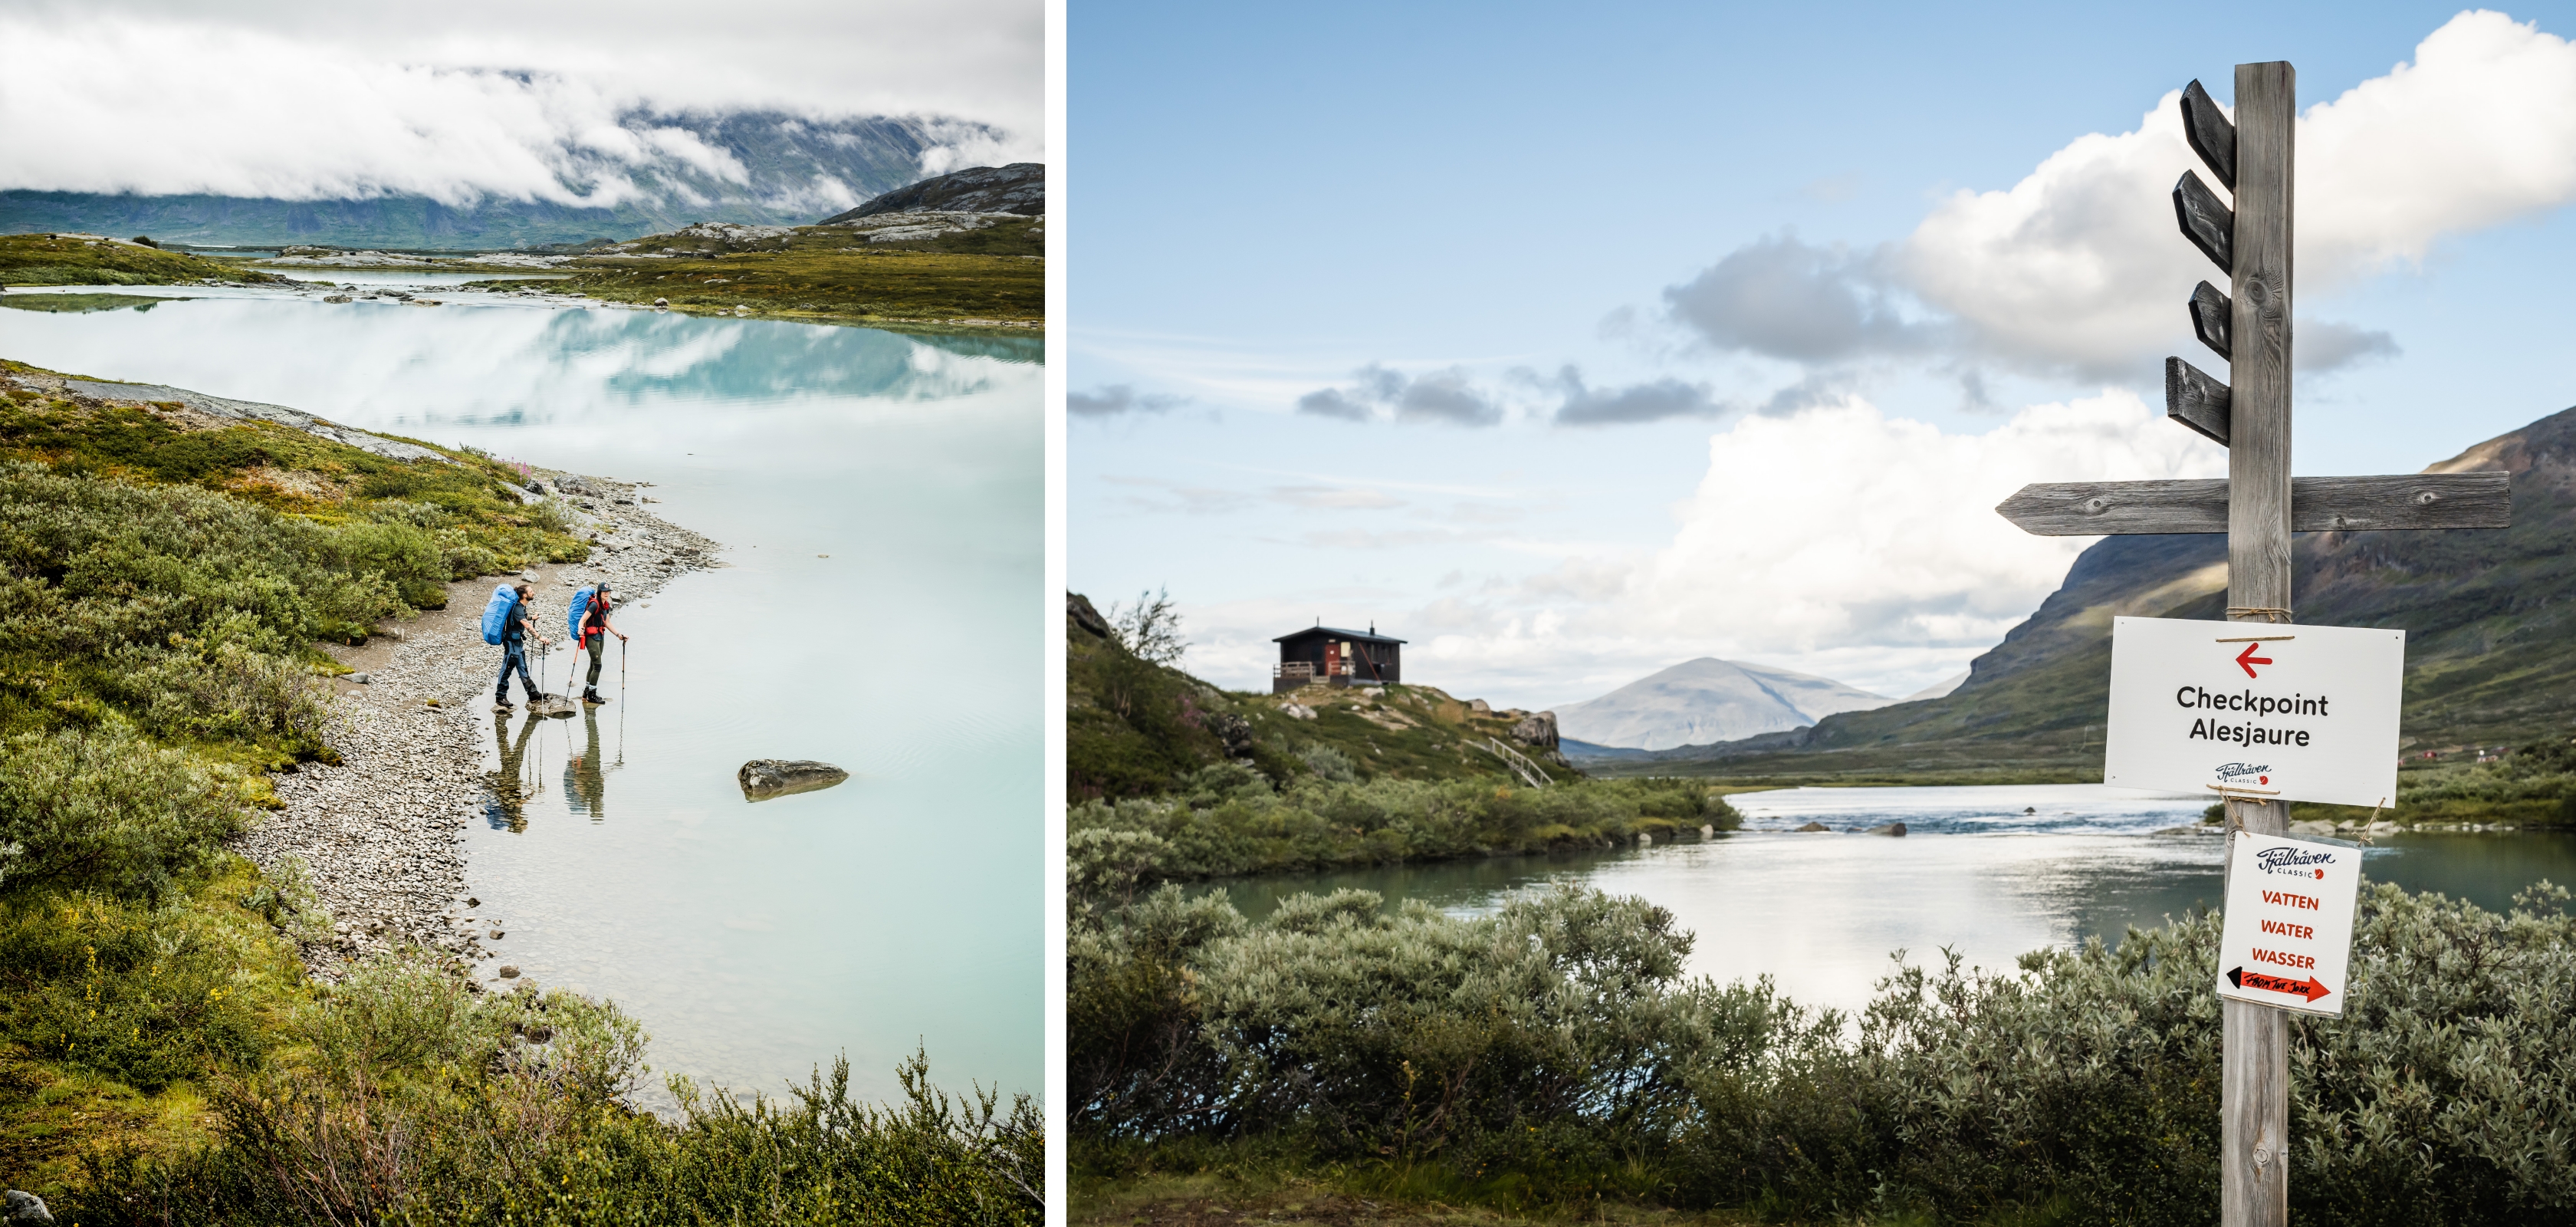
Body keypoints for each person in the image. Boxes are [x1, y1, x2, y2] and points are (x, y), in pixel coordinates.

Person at [493, 580, 553, 710]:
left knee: (522, 668)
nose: (534, 593)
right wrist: (539, 637)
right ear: (525, 595)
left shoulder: (521, 607)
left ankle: (533, 694)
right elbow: (526, 625)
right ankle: (500, 697)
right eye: (531, 591)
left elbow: (522, 620)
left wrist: (532, 617)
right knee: (507, 669)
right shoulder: (518, 608)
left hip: (517, 643)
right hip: (511, 643)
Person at [577, 582, 629, 705]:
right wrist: (580, 629)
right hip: (591, 637)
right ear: (599, 592)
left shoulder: (606, 605)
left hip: (600, 636)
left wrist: (619, 635)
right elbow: (583, 619)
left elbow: (607, 623)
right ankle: (592, 695)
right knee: (598, 666)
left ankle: (587, 692)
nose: (607, 593)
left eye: (608, 591)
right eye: (604, 591)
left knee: (593, 665)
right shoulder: (594, 604)